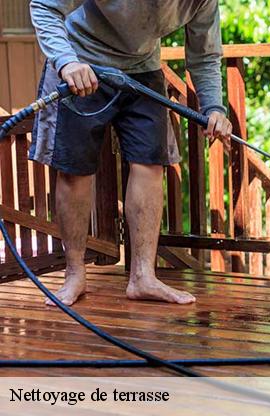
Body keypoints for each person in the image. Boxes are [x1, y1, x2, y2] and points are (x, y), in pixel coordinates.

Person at [29, 0, 232, 306]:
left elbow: (204, 55)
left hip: (143, 68)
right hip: (81, 61)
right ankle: (75, 274)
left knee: (151, 163)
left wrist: (214, 107)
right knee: (74, 169)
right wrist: (66, 62)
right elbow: (44, 6)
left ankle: (143, 277)